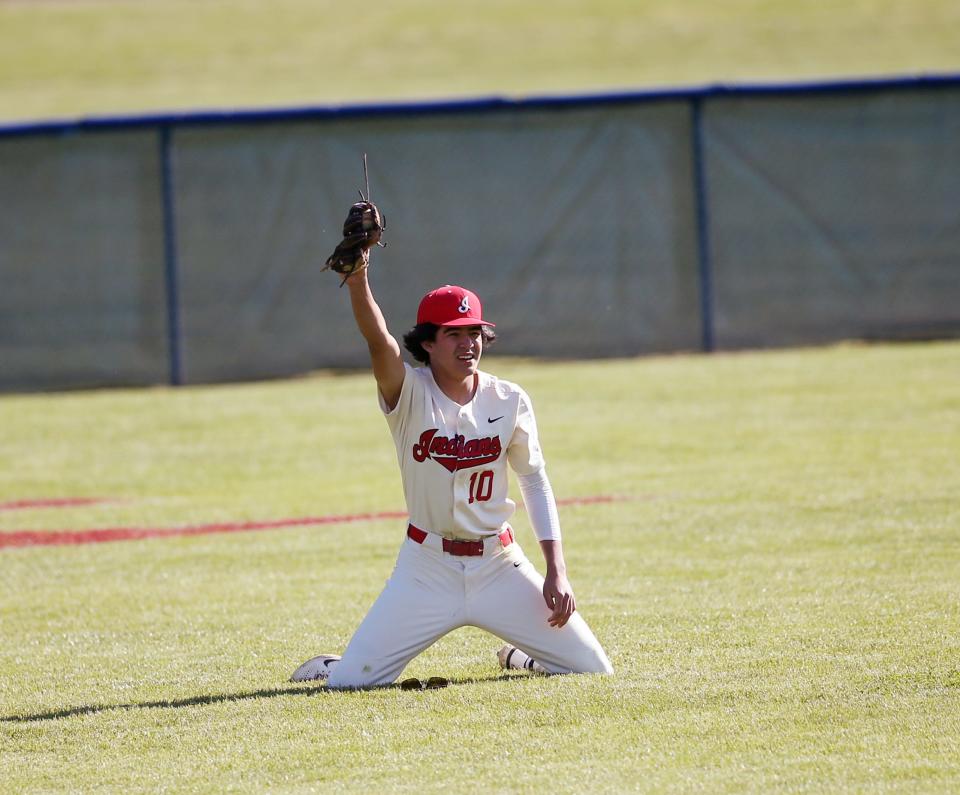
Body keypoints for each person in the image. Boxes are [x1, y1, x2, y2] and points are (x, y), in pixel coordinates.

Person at [292, 263, 613, 689]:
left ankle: (522, 656)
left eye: (475, 332)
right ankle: (337, 664)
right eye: (454, 334)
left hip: (499, 564)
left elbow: (534, 480)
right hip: (426, 568)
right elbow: (379, 343)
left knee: (593, 668)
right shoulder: (408, 393)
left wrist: (557, 569)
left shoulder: (509, 398)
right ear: (427, 342)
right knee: (351, 685)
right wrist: (358, 279)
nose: (469, 344)